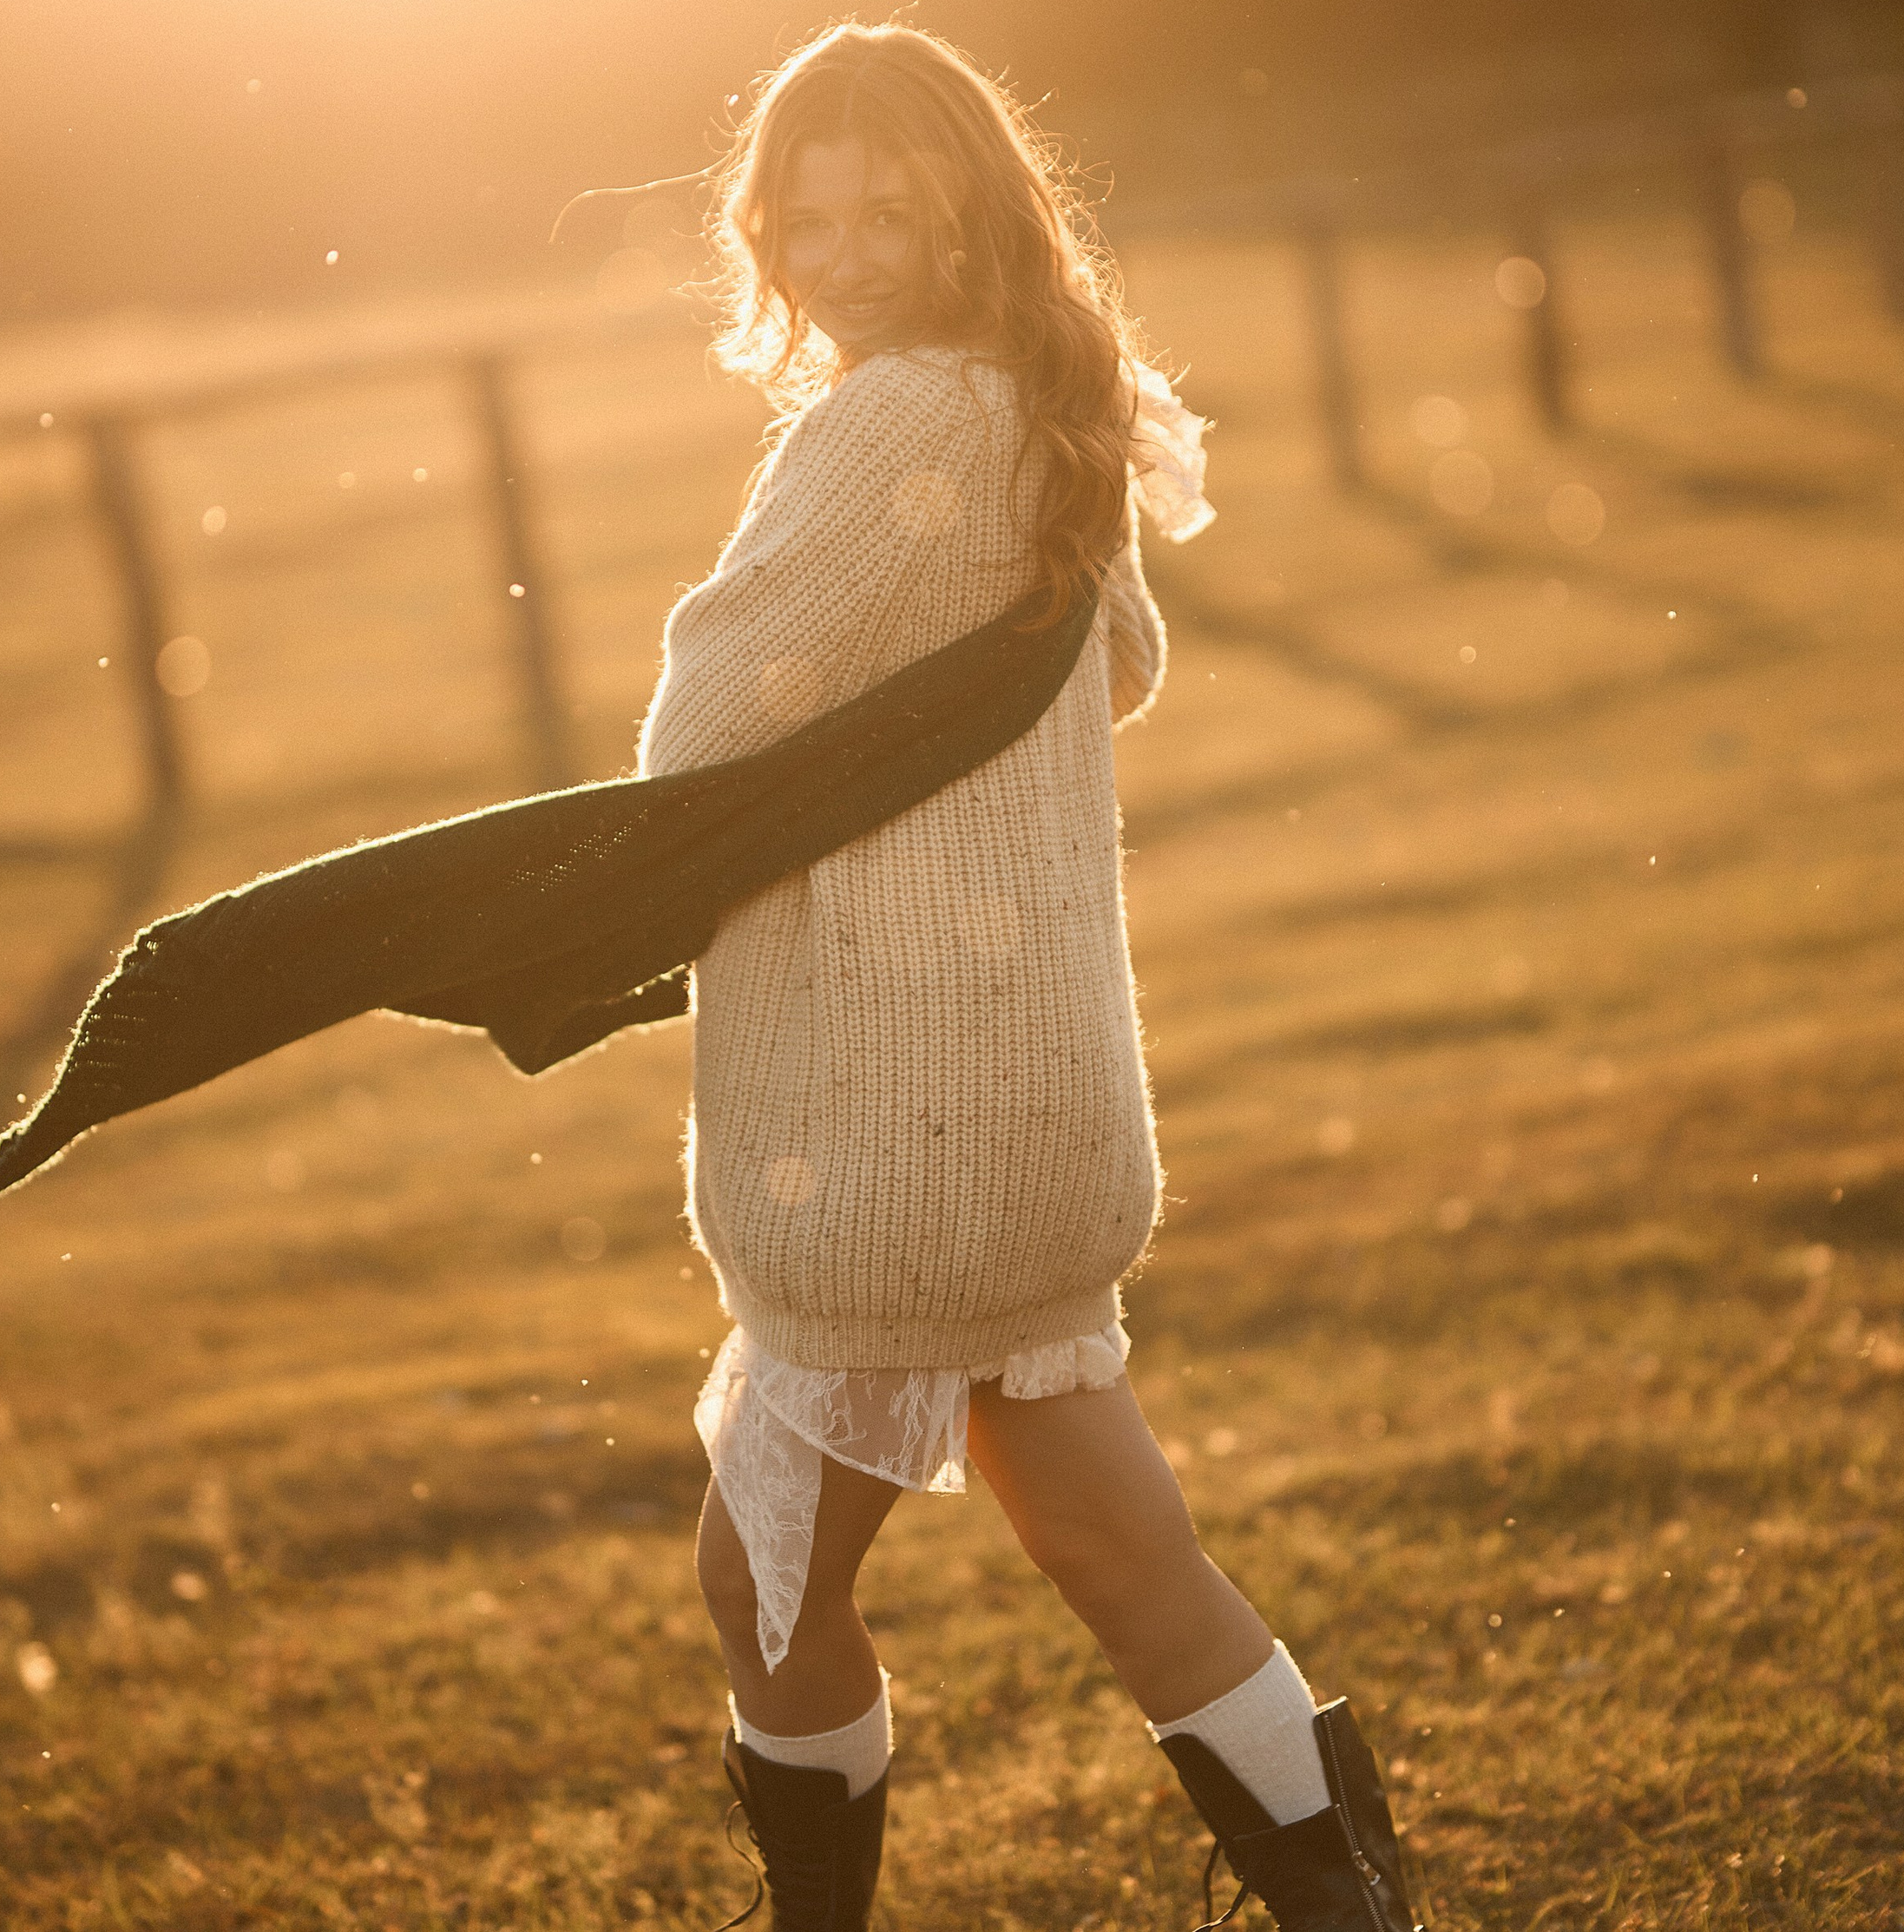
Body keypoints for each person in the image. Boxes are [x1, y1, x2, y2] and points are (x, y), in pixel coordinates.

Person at [632, 23, 1421, 1932]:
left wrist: (590, 898)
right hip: (1037, 1107)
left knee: (761, 1594)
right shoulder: (1047, 398)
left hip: (887, 1138)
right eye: (802, 217)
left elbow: (708, 715)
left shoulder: (900, 415)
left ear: (966, 203)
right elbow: (1118, 665)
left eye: (883, 204)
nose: (839, 247)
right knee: (1128, 1560)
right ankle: (1350, 1905)